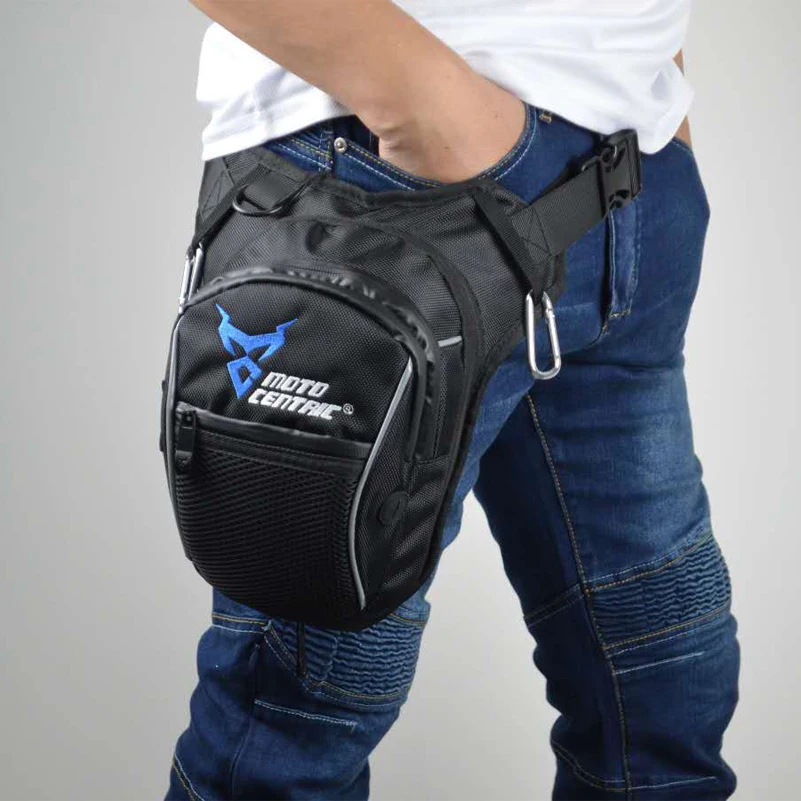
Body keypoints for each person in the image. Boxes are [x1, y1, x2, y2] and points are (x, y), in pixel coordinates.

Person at [168, 1, 739, 798]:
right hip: (396, 179)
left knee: (664, 704)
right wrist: (429, 105)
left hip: (627, 181)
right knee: (298, 721)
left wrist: (657, 97)